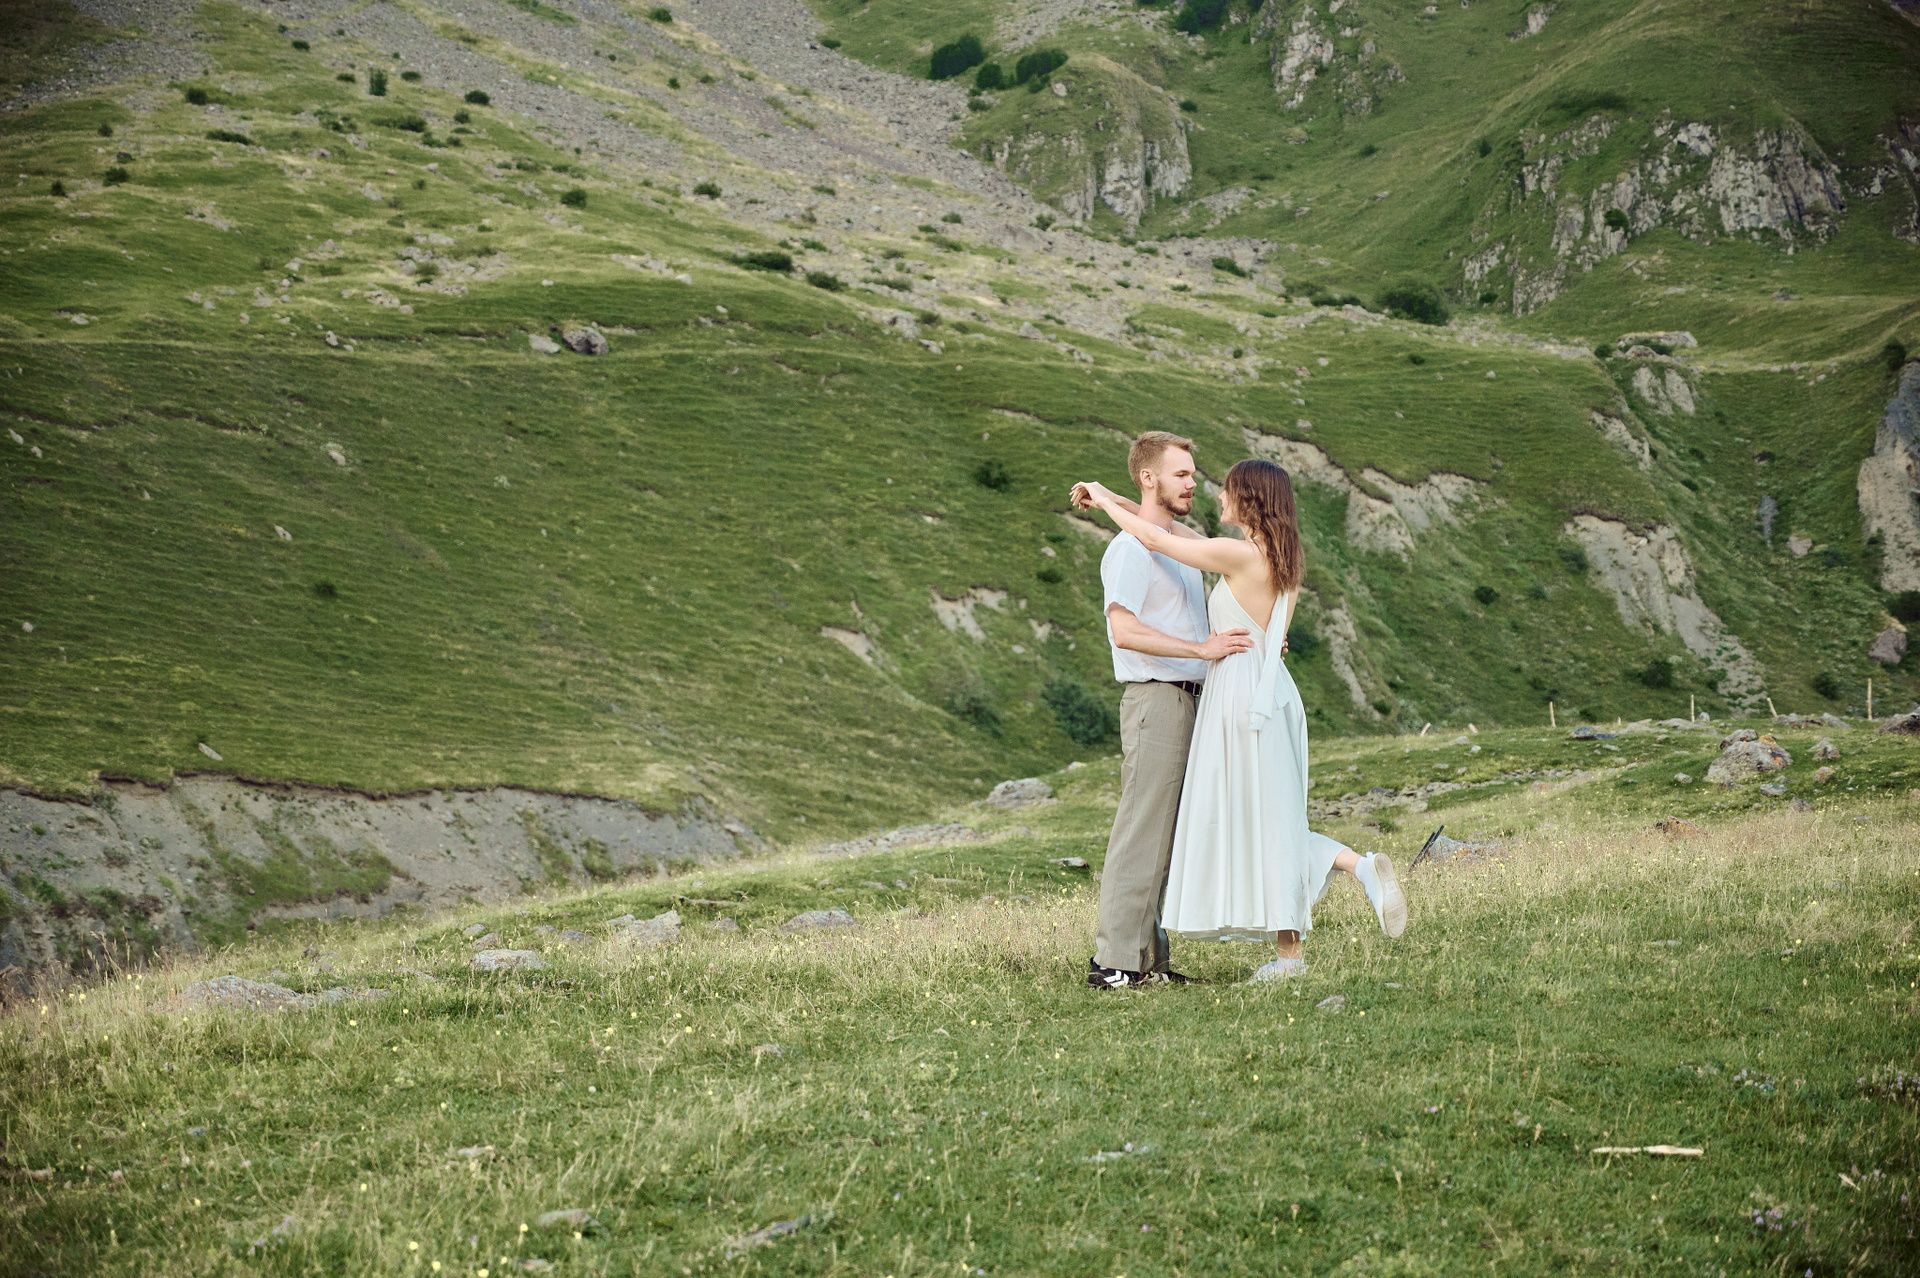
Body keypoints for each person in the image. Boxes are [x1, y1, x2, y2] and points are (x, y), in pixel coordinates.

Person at [1072, 457, 1407, 983]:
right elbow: (1168, 530)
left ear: (1249, 499)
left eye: (1227, 490)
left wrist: (1101, 494)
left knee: (1250, 821)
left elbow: (1155, 538)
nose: (1216, 495)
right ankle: (1348, 879)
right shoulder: (1280, 557)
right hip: (1269, 688)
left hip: (1240, 696)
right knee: (1266, 818)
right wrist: (1112, 497)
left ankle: (1321, 915)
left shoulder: (1238, 555)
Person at [1081, 432, 1255, 990]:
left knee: (1165, 837)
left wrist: (1109, 497)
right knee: (1142, 830)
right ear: (1149, 477)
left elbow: (1160, 532)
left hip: (1188, 700)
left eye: (1193, 473)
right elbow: (1124, 630)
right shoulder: (1129, 551)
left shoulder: (1169, 543)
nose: (1193, 483)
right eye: (1181, 473)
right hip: (1156, 699)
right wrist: (1201, 650)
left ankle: (1147, 961)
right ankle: (1113, 964)